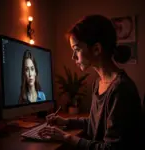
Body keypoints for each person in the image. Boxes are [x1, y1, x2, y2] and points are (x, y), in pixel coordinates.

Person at [38, 15, 144, 150]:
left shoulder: (121, 90)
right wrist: (66, 122)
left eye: (76, 49)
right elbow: (96, 123)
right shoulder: (99, 83)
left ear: (96, 49)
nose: (73, 56)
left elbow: (110, 148)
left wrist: (66, 137)